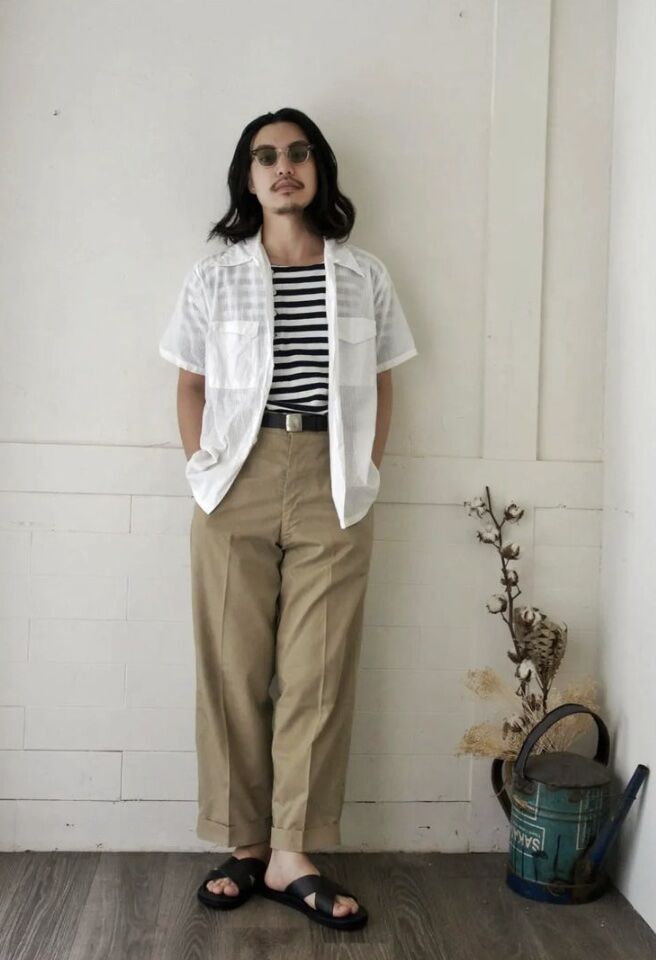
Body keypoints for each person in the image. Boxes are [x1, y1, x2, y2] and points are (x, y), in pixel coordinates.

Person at [159, 107, 418, 931]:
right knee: (232, 669)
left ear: (319, 170)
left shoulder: (364, 275)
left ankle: (292, 851)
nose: (283, 167)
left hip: (332, 478)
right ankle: (242, 839)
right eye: (266, 156)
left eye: (298, 153)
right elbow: (191, 382)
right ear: (247, 175)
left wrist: (367, 471)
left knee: (316, 673)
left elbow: (383, 381)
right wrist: (203, 470)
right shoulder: (215, 276)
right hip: (235, 476)